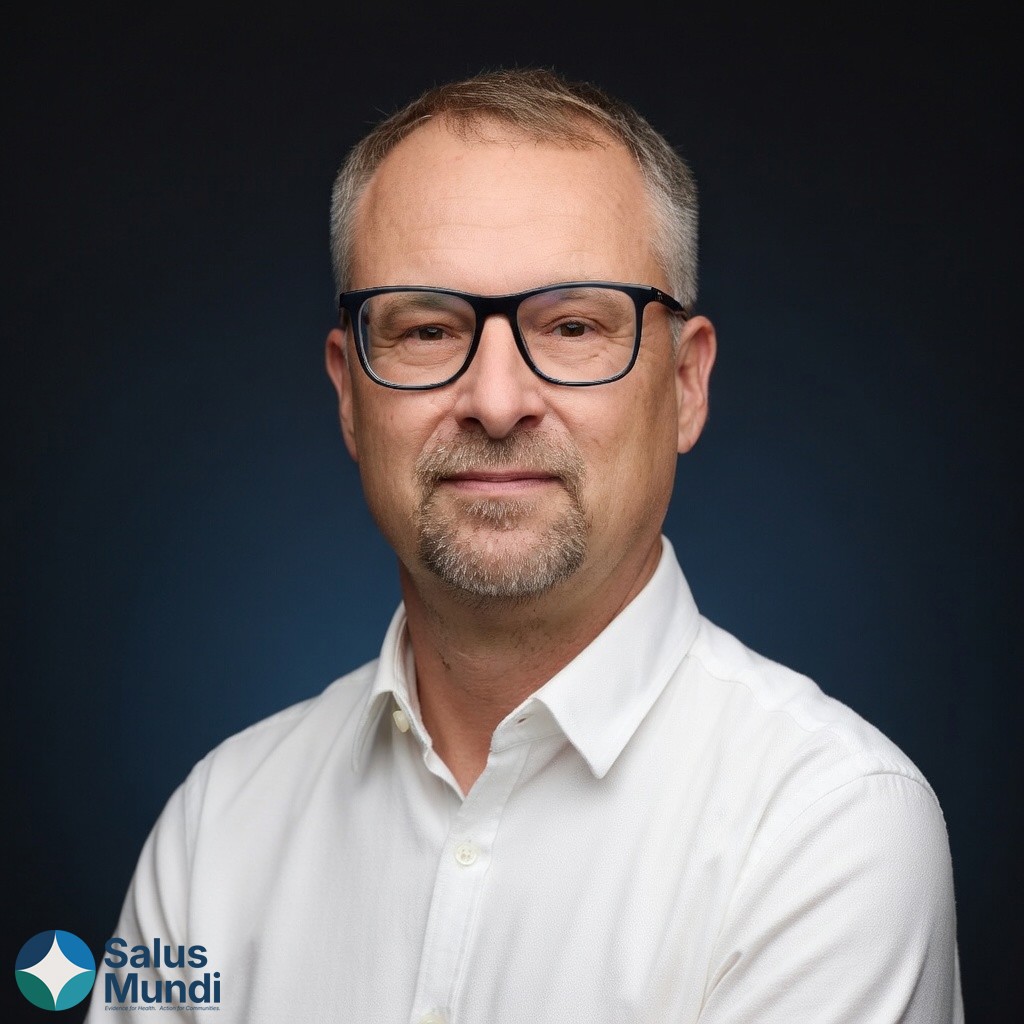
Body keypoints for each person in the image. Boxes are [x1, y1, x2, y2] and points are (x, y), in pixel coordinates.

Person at [87, 67, 963, 1022]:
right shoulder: (216, 828)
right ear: (349, 392)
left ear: (686, 384)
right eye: (428, 328)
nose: (497, 402)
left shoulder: (829, 826)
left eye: (575, 325)